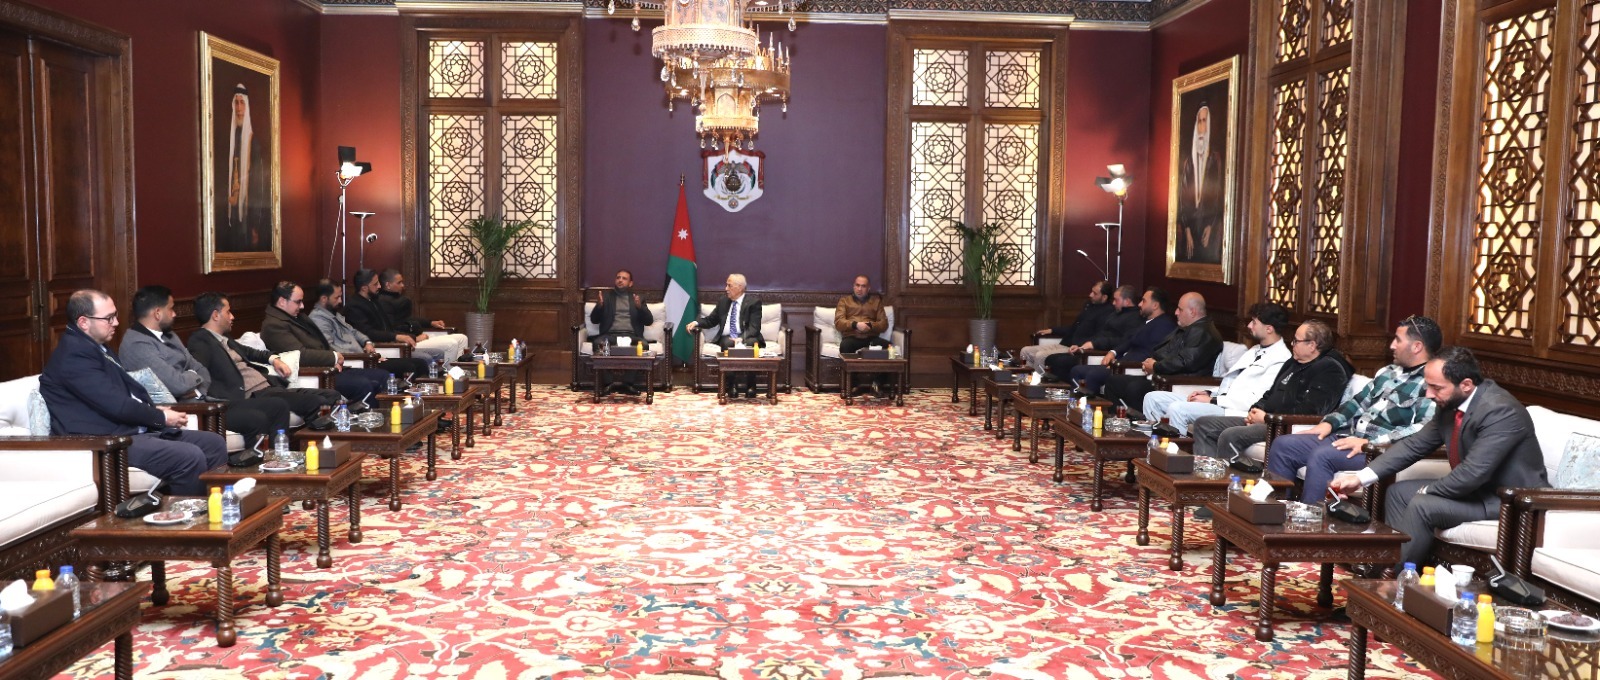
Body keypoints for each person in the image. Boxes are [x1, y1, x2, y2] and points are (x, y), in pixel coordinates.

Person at [1330, 346, 1549, 567]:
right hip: (1474, 491)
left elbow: (1473, 473)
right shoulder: (1451, 404)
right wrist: (1360, 478)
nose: (1428, 394)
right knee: (1397, 493)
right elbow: (1415, 445)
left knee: (1422, 504)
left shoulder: (1500, 411)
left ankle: (1393, 576)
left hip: (1505, 500)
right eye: (1428, 386)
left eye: (1436, 388)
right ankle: (1392, 565)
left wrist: (1426, 490)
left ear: (1466, 384)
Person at [40, 290, 227, 496]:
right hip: (104, 441)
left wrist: (154, 410)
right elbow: (116, 405)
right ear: (83, 322)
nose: (116, 322)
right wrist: (161, 417)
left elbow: (124, 394)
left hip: (128, 431)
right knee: (188, 456)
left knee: (213, 443)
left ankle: (216, 507)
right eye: (108, 318)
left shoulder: (96, 347)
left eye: (115, 315)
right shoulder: (74, 357)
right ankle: (188, 513)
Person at [1266, 315, 1441, 504]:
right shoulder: (1388, 372)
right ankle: (1275, 511)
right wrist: (1329, 423)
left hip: (1379, 450)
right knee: (1284, 445)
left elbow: (1422, 429)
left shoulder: (1431, 383)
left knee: (1323, 456)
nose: (1392, 345)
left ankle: (1312, 518)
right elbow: (1357, 403)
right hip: (1350, 437)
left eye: (1398, 340)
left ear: (1416, 347)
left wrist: (1370, 442)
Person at [1189, 319, 1353, 519]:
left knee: (1230, 435)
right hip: (1265, 418)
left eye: (1296, 341)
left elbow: (1312, 410)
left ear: (1312, 345)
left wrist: (1267, 418)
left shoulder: (1330, 370)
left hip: (1285, 427)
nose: (1292, 344)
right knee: (1204, 424)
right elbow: (1271, 393)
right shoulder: (1293, 362)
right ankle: (1208, 490)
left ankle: (1227, 498)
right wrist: (1256, 409)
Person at [117, 285, 291, 447]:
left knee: (278, 406)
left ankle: (279, 461)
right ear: (157, 313)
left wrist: (197, 389)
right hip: (186, 411)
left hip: (205, 400)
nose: (175, 314)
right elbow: (177, 384)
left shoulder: (169, 336)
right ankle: (251, 465)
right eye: (171, 308)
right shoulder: (137, 345)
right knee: (256, 418)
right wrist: (192, 378)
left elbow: (202, 370)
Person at [187, 291, 345, 421]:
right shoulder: (200, 341)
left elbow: (251, 352)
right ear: (215, 315)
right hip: (252, 395)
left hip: (269, 386)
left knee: (332, 395)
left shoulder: (224, 338)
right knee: (316, 402)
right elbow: (199, 375)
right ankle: (314, 442)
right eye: (228, 312)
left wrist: (274, 359)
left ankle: (328, 438)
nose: (232, 317)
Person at [1139, 302, 1291, 435]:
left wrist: (1212, 400)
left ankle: (1175, 454)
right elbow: (1231, 383)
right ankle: (1153, 446)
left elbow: (1253, 400)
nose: (1249, 326)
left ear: (1269, 329)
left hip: (1233, 410)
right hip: (1220, 401)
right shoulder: (1255, 349)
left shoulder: (1281, 360)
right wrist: (1208, 392)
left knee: (1178, 409)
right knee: (1153, 399)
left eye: (1254, 322)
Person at [260, 281, 390, 406]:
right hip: (316, 374)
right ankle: (365, 420)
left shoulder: (297, 317)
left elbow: (321, 343)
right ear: (282, 301)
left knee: (382, 376)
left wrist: (334, 359)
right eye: (298, 302)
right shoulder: (274, 326)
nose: (302, 306)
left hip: (330, 368)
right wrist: (333, 357)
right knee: (363, 385)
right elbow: (300, 355)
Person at [1101, 292, 1224, 412]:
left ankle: (1141, 423)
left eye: (1180, 309)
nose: (1176, 312)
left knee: (1135, 388)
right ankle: (1118, 421)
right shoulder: (1186, 328)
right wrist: (1151, 361)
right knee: (1113, 381)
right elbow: (1163, 350)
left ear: (1192, 312)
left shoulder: (1203, 332)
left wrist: (1156, 366)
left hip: (1178, 382)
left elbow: (1185, 362)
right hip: (1162, 376)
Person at [1053, 287, 1176, 392]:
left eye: (1143, 301)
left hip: (1130, 367)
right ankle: (1076, 405)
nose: (1139, 304)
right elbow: (1128, 341)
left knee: (1093, 375)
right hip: (1120, 362)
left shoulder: (1164, 325)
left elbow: (1149, 352)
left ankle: (1090, 409)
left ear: (1155, 305)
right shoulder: (1147, 321)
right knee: (1077, 370)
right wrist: (1113, 352)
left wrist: (1118, 364)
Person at [311, 278, 432, 379]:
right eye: (336, 297)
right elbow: (329, 348)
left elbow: (354, 332)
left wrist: (367, 342)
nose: (340, 301)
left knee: (420, 363)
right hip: (355, 361)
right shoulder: (318, 319)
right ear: (324, 299)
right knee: (408, 367)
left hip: (365, 357)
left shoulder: (334, 313)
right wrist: (364, 357)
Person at [685, 273, 765, 399]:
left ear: (740, 287)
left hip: (747, 336)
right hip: (727, 337)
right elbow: (711, 320)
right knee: (728, 343)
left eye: (729, 285)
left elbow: (754, 328)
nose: (726, 288)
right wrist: (696, 323)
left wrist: (741, 338)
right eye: (726, 285)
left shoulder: (753, 303)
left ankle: (751, 385)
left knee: (750, 344)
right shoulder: (723, 301)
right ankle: (732, 385)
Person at [376, 268, 470, 361]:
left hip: (418, 336)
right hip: (409, 343)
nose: (403, 285)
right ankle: (449, 370)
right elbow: (390, 330)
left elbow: (408, 319)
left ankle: (459, 369)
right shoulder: (383, 303)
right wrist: (415, 338)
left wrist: (430, 322)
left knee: (462, 338)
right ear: (388, 285)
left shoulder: (398, 300)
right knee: (451, 344)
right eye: (399, 283)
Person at [1020, 280, 1114, 369]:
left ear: (1104, 297)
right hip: (1065, 343)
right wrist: (1052, 330)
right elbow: (1074, 327)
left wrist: (1081, 347)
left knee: (1040, 356)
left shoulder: (1108, 313)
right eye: (1091, 291)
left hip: (1076, 348)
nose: (1090, 295)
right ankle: (1026, 378)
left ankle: (1040, 380)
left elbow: (1099, 337)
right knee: (1026, 351)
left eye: (1095, 293)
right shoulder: (1089, 305)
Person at [589, 269, 654, 394]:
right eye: (618, 277)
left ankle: (627, 383)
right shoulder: (606, 297)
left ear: (630, 283)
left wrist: (640, 308)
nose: (620, 280)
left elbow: (649, 321)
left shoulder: (637, 298)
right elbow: (594, 320)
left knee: (644, 345)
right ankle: (608, 383)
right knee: (597, 343)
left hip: (631, 336)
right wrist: (599, 306)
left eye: (624, 278)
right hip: (610, 335)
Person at [221, 84, 270, 253]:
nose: (239, 108)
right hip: (231, 211)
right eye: (236, 103)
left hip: (248, 215)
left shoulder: (253, 142)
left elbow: (257, 184)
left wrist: (255, 223)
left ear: (247, 107)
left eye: (242, 103)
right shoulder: (229, 140)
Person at [1176, 103, 1224, 264]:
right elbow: (1183, 197)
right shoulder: (1189, 162)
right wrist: (1187, 229)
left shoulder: (1215, 159)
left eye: (1204, 121)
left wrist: (1210, 225)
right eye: (1199, 121)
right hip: (1191, 225)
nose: (1201, 127)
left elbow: (1217, 195)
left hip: (1208, 224)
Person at [835, 275, 891, 396]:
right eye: (857, 285)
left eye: (863, 286)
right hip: (851, 337)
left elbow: (884, 324)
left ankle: (877, 384)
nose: (860, 289)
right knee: (845, 346)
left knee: (889, 347)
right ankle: (853, 384)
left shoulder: (876, 302)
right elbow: (839, 323)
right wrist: (855, 325)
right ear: (853, 286)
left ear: (868, 288)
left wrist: (870, 325)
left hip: (871, 337)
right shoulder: (844, 301)